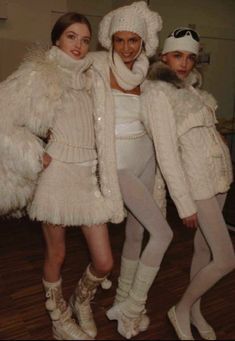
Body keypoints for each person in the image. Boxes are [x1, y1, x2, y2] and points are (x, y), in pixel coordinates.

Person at [0, 12, 126, 341]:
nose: (79, 45)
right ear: (57, 39)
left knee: (104, 261)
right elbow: (4, 116)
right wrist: (32, 151)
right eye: (71, 37)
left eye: (85, 39)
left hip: (89, 176)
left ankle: (81, 300)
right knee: (56, 254)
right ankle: (58, 317)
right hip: (56, 175)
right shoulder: (39, 74)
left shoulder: (93, 77)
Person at [142, 27, 235, 340]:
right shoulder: (157, 93)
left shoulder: (192, 88)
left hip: (218, 177)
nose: (183, 63)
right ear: (164, 56)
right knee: (226, 259)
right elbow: (166, 153)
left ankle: (195, 309)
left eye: (190, 58)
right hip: (197, 184)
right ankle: (180, 309)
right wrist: (183, 203)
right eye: (177, 56)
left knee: (204, 251)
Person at [89, 2, 173, 339]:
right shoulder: (96, 67)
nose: (126, 48)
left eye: (133, 40)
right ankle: (133, 306)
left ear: (144, 42)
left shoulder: (149, 74)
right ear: (110, 39)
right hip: (118, 162)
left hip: (146, 156)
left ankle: (122, 305)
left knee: (138, 233)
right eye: (120, 40)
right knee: (163, 233)